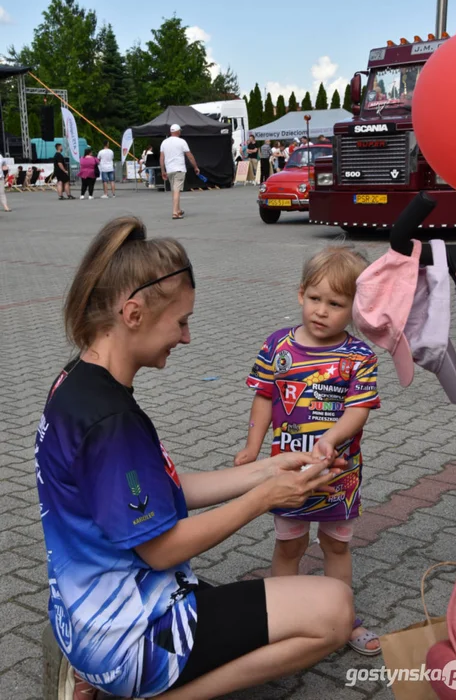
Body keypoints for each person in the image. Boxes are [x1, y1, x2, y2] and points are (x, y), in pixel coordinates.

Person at [36, 217, 354, 700]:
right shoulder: (110, 421)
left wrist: (269, 468)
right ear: (133, 313)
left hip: (87, 616)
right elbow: (162, 549)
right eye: (181, 322)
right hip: (128, 636)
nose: (186, 338)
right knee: (334, 611)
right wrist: (265, 497)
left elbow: (160, 494)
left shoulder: (78, 382)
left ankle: (94, 675)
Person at [234, 247, 382, 657]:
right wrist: (251, 446)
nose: (322, 311)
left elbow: (360, 408)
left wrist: (332, 438)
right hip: (290, 476)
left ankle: (344, 617)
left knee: (336, 546)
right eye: (315, 299)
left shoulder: (359, 357)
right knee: (288, 546)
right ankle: (282, 617)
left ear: (355, 308)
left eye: (336, 304)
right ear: (301, 294)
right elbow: (263, 397)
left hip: (339, 473)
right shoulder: (276, 345)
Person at [160, 124, 200, 219]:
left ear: (170, 132)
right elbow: (189, 156)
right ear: (178, 131)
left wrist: (163, 170)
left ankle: (178, 210)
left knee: (174, 190)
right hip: (179, 168)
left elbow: (162, 158)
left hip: (169, 169)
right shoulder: (182, 142)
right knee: (177, 190)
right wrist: (195, 167)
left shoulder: (164, 142)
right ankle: (175, 212)